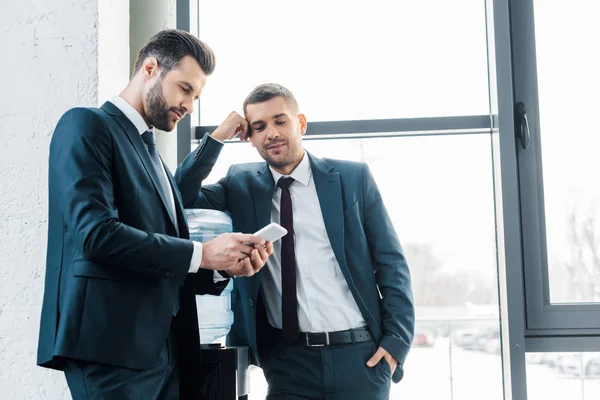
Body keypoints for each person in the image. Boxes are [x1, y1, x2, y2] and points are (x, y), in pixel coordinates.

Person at [37, 29, 273, 400]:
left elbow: (166, 262)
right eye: (184, 89)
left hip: (167, 354)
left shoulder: (156, 161)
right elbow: (96, 235)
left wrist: (222, 267)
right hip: (110, 352)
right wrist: (203, 253)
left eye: (196, 96)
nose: (190, 105)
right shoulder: (86, 125)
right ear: (150, 68)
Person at [177, 83, 415, 399]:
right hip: (287, 364)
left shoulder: (352, 178)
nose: (271, 133)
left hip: (360, 358)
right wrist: (217, 137)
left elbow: (392, 264)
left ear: (300, 123)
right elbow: (181, 195)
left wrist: (395, 344)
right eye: (259, 127)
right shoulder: (241, 183)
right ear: (249, 138)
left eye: (280, 121)